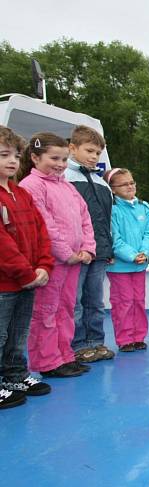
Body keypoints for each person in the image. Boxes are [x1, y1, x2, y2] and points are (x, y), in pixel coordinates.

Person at [18, 133, 95, 378]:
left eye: (64, 159)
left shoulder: (67, 186)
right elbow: (44, 224)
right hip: (52, 263)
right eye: (54, 158)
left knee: (66, 309)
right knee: (46, 311)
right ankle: (48, 361)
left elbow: (85, 218)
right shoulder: (31, 186)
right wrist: (66, 253)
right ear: (34, 157)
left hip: (73, 261)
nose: (61, 165)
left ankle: (65, 355)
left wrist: (87, 248)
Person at [0, 126, 54, 408]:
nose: (12, 161)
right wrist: (25, 272)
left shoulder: (21, 195)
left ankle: (14, 375)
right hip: (7, 282)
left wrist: (44, 265)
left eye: (16, 156)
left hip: (30, 278)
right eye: (3, 155)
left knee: (18, 332)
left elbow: (40, 231)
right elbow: (3, 244)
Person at [65, 126, 116, 365]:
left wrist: (110, 248)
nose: (94, 156)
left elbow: (108, 219)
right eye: (89, 151)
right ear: (72, 148)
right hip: (76, 254)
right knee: (74, 301)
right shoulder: (64, 178)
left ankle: (96, 342)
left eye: (97, 152)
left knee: (95, 301)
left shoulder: (102, 183)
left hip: (99, 252)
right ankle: (77, 345)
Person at [105, 168, 149, 352]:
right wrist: (132, 255)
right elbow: (114, 238)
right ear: (112, 189)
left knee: (138, 301)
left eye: (131, 182)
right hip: (120, 267)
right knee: (123, 302)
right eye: (124, 184)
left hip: (140, 265)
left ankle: (138, 336)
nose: (129, 186)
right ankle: (125, 339)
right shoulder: (112, 210)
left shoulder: (144, 207)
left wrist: (144, 252)